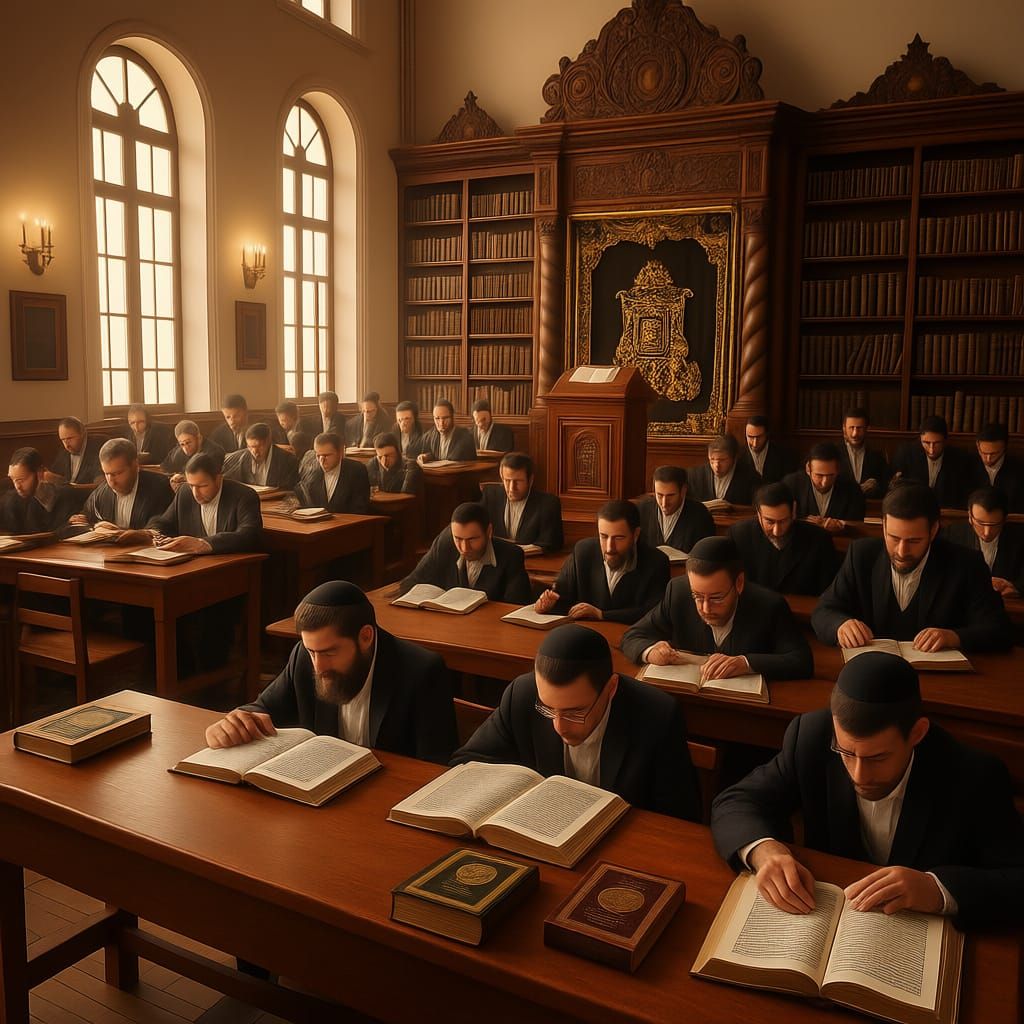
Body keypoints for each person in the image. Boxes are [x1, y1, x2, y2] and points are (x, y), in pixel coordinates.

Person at [710, 652, 1024, 927]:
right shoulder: (811, 737)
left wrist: (937, 889)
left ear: (917, 733)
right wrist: (765, 851)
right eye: (845, 753)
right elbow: (736, 801)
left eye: (878, 757)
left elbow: (1016, 878)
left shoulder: (976, 775)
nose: (858, 774)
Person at [451, 624, 701, 821]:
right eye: (548, 709)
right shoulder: (523, 694)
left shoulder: (657, 715)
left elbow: (679, 817)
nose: (559, 726)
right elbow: (467, 763)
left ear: (611, 688)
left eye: (575, 712)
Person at [206, 581, 457, 765]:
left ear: (365, 637)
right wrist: (233, 724)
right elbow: (263, 709)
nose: (318, 667)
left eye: (328, 653)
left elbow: (434, 768)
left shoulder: (422, 671)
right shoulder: (305, 657)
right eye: (311, 652)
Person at [812, 482, 1012, 652]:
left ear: (933, 530)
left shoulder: (967, 564)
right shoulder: (861, 555)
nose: (901, 551)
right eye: (894, 538)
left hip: (941, 681)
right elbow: (823, 611)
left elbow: (999, 630)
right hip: (872, 675)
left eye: (914, 541)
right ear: (883, 526)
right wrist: (840, 625)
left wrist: (954, 637)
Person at [621, 536, 813, 681]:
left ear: (738, 583)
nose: (705, 608)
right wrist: (650, 651)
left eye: (716, 598)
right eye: (697, 596)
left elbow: (802, 661)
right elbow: (632, 636)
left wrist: (745, 663)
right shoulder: (678, 592)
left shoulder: (770, 605)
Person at [535, 500, 669, 624]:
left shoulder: (656, 562)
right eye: (604, 537)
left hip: (629, 639)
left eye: (619, 538)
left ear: (636, 535)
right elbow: (563, 598)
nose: (610, 547)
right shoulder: (583, 552)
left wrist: (602, 614)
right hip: (584, 634)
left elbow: (653, 613)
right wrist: (548, 605)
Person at [400, 501, 532, 604]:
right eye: (458, 539)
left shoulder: (512, 556)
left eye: (472, 539)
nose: (464, 548)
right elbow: (411, 583)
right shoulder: (445, 543)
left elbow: (516, 607)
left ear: (489, 532)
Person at [728, 482, 839, 596]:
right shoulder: (739, 535)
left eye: (783, 521)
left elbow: (829, 593)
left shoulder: (819, 539)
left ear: (793, 511)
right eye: (769, 522)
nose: (776, 531)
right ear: (758, 513)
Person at [146, 452, 262, 554]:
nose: (195, 493)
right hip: (192, 568)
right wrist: (151, 533)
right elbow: (164, 522)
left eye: (202, 486)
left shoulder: (244, 496)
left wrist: (203, 543)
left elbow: (250, 535)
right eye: (191, 485)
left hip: (231, 566)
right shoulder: (185, 492)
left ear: (218, 479)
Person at [69, 438, 173, 537]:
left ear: (135, 465)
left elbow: (161, 529)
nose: (111, 482)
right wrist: (83, 523)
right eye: (107, 474)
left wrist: (119, 532)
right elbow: (86, 518)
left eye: (117, 473)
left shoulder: (160, 488)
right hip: (108, 553)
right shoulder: (102, 491)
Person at [943, 486, 1024, 598]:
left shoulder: (1019, 539)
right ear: (970, 517)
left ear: (1004, 519)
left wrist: (1014, 587)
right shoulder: (952, 534)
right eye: (980, 523)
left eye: (994, 525)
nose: (987, 532)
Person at [479, 451, 563, 553]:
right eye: (507, 480)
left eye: (518, 481)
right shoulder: (490, 495)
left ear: (531, 480)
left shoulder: (548, 504)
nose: (511, 488)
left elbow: (549, 544)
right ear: (501, 477)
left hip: (532, 563)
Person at [782, 441, 866, 532]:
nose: (824, 482)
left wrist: (841, 524)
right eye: (819, 475)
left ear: (838, 470)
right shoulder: (791, 484)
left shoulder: (852, 489)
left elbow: (858, 524)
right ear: (808, 469)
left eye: (830, 475)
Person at [890, 415, 968, 509]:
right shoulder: (905, 454)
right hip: (913, 511)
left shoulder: (959, 458)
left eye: (937, 443)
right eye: (926, 443)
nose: (931, 450)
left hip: (946, 512)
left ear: (945, 440)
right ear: (920, 438)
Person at [635, 465, 715, 553]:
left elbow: (706, 556)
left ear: (683, 490)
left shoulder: (701, 515)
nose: (664, 503)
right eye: (660, 495)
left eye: (670, 496)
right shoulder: (642, 510)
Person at [1, 447, 79, 534]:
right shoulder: (11, 500)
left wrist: (67, 524)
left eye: (21, 480)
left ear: (40, 473)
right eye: (13, 479)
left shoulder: (64, 496)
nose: (17, 486)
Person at [296, 432, 370, 514]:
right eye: (318, 455)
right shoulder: (309, 468)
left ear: (341, 452)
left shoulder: (357, 470)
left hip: (347, 524)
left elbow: (359, 508)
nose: (321, 461)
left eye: (326, 455)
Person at [686, 434, 760, 505]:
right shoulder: (694, 476)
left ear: (734, 458)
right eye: (712, 459)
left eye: (722, 460)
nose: (716, 465)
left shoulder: (750, 478)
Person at [222, 422, 300, 491]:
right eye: (250, 447)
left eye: (259, 446)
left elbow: (291, 490)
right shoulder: (241, 457)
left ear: (268, 441)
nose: (255, 452)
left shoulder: (288, 460)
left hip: (277, 503)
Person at [968, 422, 1024, 513]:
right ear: (978, 447)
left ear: (1004, 448)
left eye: (994, 453)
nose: (988, 459)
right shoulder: (968, 466)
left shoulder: (1019, 470)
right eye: (984, 453)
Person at [838, 406, 889, 497]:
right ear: (844, 429)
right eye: (851, 428)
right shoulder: (834, 453)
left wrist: (875, 486)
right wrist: (858, 489)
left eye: (859, 428)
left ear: (867, 429)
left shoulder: (877, 455)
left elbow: (885, 487)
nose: (855, 434)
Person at [739, 415, 797, 484]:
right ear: (745, 435)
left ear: (766, 434)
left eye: (759, 437)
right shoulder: (738, 456)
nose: (755, 443)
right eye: (750, 437)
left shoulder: (784, 455)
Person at [45, 417, 103, 485]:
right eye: (63, 440)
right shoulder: (64, 451)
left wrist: (72, 487)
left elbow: (99, 484)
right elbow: (57, 474)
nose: (66, 445)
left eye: (70, 438)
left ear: (82, 433)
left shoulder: (97, 447)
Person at [160, 420, 224, 482]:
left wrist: (185, 478)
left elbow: (212, 478)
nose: (185, 448)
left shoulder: (214, 452)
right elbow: (164, 469)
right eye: (182, 444)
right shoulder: (178, 451)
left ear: (198, 437)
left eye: (188, 443)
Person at [416, 399, 476, 464]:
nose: (441, 423)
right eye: (437, 418)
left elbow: (460, 459)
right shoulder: (429, 436)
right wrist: (426, 456)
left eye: (445, 418)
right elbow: (433, 455)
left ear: (452, 417)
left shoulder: (466, 437)